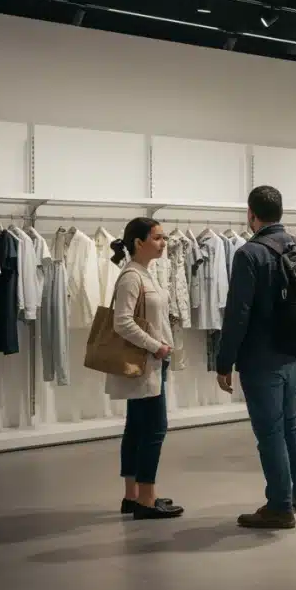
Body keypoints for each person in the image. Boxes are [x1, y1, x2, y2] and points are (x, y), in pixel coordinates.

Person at [215, 186, 296, 530]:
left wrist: (224, 361)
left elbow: (237, 313)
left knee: (270, 431)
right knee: (292, 420)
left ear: (251, 214)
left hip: (263, 357)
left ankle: (279, 505)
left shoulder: (249, 253)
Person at [106, 217, 183, 520]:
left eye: (164, 238)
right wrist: (156, 346)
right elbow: (121, 321)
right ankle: (147, 500)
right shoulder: (131, 277)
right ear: (139, 242)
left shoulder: (145, 274)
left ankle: (132, 495)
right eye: (158, 238)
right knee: (154, 428)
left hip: (152, 362)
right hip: (146, 362)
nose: (164, 243)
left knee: (137, 428)